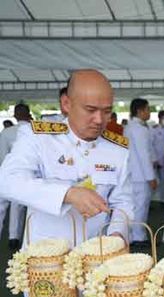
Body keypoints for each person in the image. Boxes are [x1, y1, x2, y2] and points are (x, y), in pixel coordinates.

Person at [0, 69, 133, 245]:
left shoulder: (117, 149)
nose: (99, 120)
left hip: (96, 256)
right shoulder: (39, 137)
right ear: (66, 104)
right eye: (90, 110)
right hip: (45, 256)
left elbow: (123, 201)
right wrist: (67, 194)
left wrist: (118, 235)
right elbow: (8, 181)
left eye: (107, 111)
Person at [124, 98, 157, 246]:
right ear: (140, 111)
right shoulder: (139, 129)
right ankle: (138, 237)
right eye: (147, 109)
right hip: (141, 175)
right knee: (140, 207)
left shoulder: (131, 127)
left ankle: (134, 235)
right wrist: (151, 177)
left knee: (135, 206)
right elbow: (144, 155)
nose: (149, 113)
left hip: (134, 173)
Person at [0, 104, 31, 250]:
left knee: (1, 208)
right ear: (29, 113)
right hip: (25, 175)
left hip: (6, 173)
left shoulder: (7, 132)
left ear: (15, 115)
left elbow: (2, 156)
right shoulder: (34, 130)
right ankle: (14, 237)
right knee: (16, 207)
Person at [151, 110, 164, 202]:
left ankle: (162, 199)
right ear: (159, 118)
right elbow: (151, 145)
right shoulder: (154, 130)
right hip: (156, 159)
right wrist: (154, 159)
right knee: (155, 180)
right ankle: (152, 199)